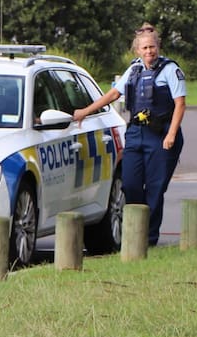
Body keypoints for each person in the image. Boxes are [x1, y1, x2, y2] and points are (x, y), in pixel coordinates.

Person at [74, 22, 186, 246]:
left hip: (161, 134)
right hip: (136, 133)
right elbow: (114, 93)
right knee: (131, 184)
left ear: (158, 46)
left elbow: (180, 104)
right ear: (137, 50)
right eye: (144, 48)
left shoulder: (170, 70)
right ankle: (136, 230)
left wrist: (171, 135)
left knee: (155, 189)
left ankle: (148, 239)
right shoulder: (134, 69)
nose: (149, 52)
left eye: (152, 47)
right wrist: (85, 112)